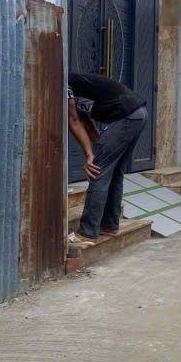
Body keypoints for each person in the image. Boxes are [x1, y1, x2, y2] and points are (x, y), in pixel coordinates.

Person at [67, 72, 148, 246]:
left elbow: (73, 120)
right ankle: (109, 225)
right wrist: (97, 150)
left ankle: (87, 232)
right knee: (115, 170)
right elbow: (85, 122)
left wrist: (91, 156)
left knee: (98, 170)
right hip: (138, 114)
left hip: (127, 115)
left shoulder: (65, 82)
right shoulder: (78, 87)